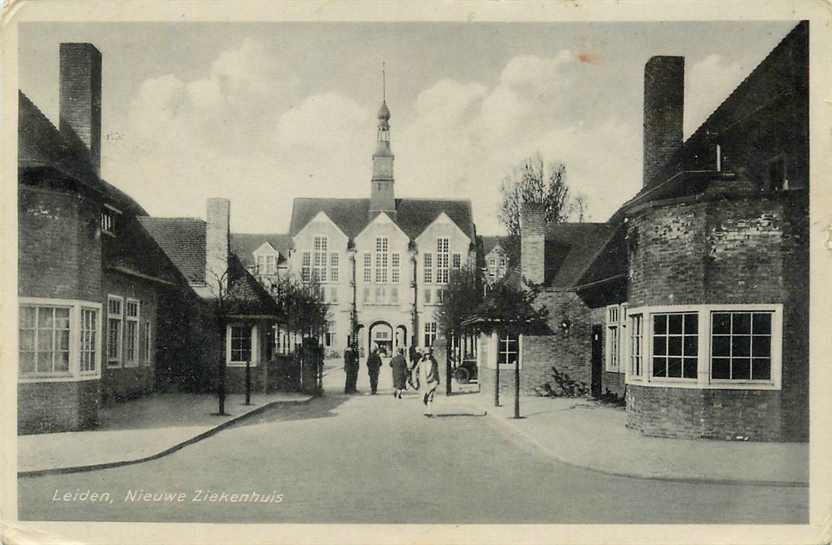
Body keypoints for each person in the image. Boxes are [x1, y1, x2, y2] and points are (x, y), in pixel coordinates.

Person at [421, 348, 441, 417]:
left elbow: (436, 371)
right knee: (424, 397)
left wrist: (438, 380)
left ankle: (428, 411)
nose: (428, 356)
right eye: (426, 354)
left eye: (429, 354)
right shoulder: (422, 363)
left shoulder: (434, 362)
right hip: (425, 382)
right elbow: (420, 372)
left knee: (430, 396)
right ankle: (427, 409)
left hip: (433, 381)